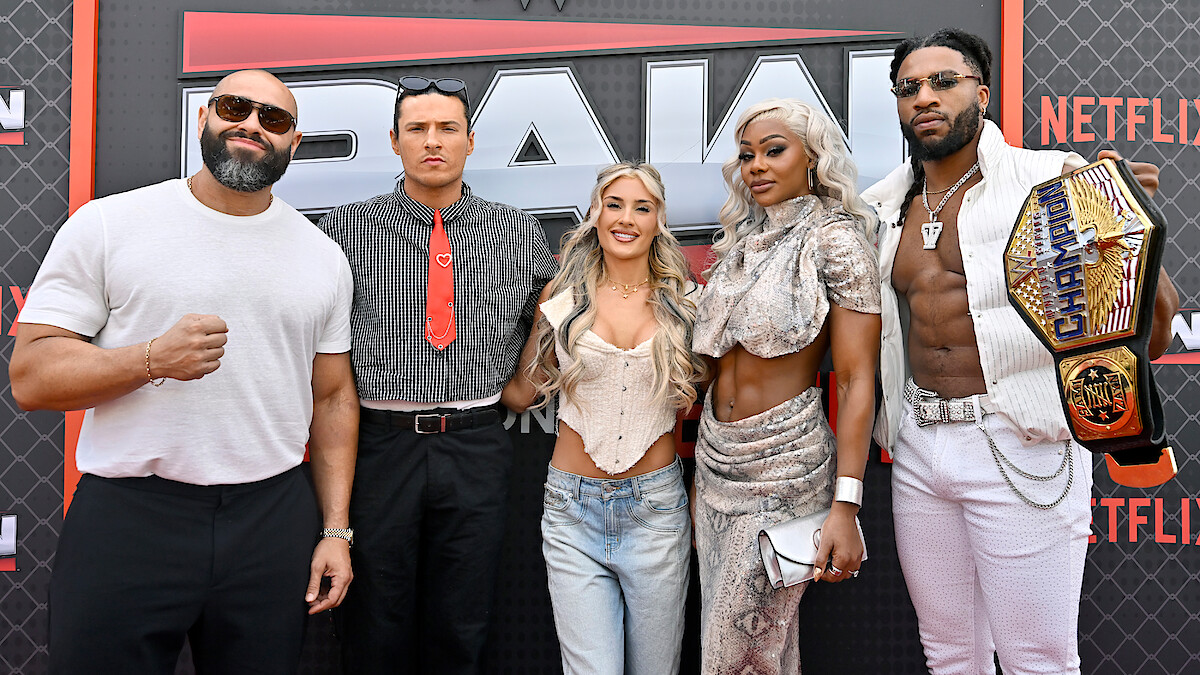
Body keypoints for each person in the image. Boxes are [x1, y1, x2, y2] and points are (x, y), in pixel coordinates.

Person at [9, 69, 357, 674]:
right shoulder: (111, 224)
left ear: (293, 144)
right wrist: (149, 360)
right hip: (130, 518)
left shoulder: (321, 256)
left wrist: (336, 530)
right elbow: (31, 375)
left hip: (270, 521)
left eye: (272, 119)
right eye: (234, 107)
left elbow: (330, 398)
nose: (250, 125)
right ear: (203, 118)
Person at [863, 28, 1180, 675]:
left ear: (981, 92)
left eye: (943, 81)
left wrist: (1126, 235)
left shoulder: (1054, 177)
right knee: (950, 652)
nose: (924, 96)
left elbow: (1156, 332)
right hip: (919, 444)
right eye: (909, 87)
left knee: (1037, 658)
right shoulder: (876, 208)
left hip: (1021, 438)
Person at [318, 76, 557, 674]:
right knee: (375, 617)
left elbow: (556, 310)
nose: (433, 141)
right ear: (394, 141)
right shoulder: (341, 231)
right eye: (418, 129)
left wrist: (525, 383)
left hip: (478, 442)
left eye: (447, 128)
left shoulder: (519, 232)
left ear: (470, 142)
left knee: (464, 617)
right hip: (378, 445)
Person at [691, 98, 882, 674]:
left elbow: (854, 381)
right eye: (747, 155)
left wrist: (846, 506)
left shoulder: (836, 241)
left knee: (736, 660)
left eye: (775, 151)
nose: (757, 166)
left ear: (812, 158)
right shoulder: (737, 251)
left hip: (785, 467)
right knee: (759, 655)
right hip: (714, 464)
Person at [503, 161, 706, 675]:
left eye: (643, 207)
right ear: (594, 212)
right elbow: (523, 392)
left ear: (660, 219)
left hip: (656, 512)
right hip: (572, 510)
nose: (626, 218)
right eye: (614, 204)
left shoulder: (685, 302)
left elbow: (715, 396)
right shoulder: (562, 298)